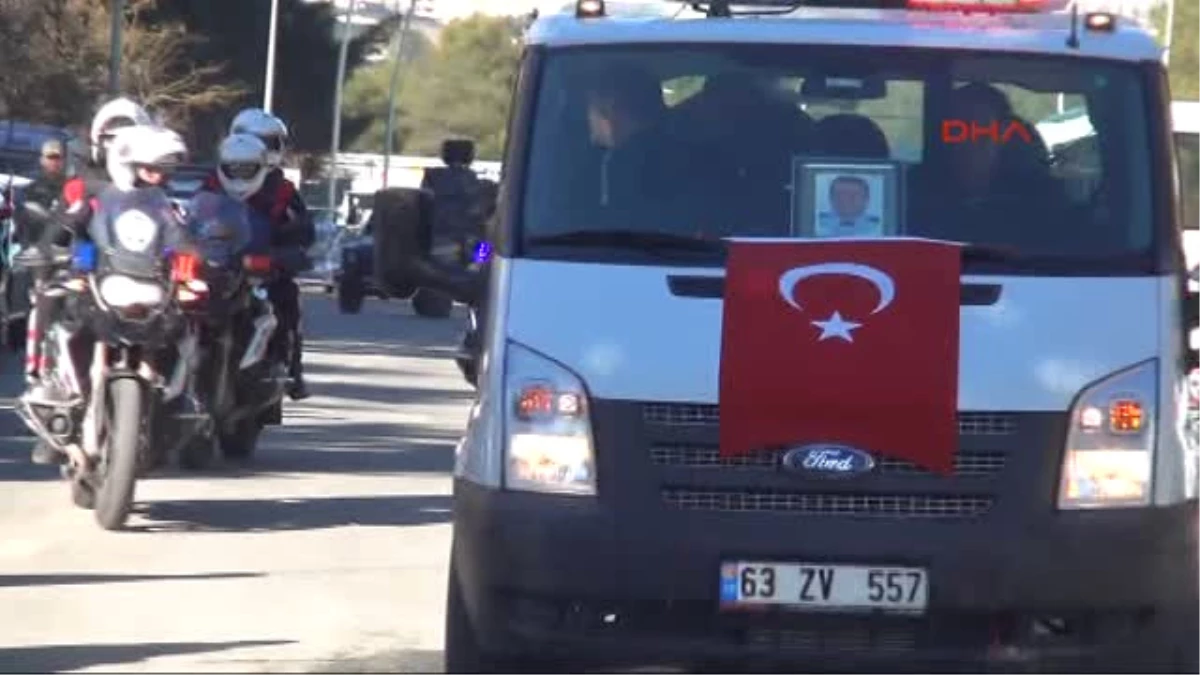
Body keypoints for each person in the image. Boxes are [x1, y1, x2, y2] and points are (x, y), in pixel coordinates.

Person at [25, 123, 189, 465]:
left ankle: (171, 416)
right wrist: (52, 250)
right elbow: (66, 227)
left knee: (186, 333)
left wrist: (202, 261)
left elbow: (183, 240)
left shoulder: (164, 206)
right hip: (100, 285)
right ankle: (58, 405)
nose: (157, 175)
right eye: (149, 167)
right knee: (64, 318)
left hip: (149, 289)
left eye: (161, 168)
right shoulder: (93, 197)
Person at [208, 114, 313, 400]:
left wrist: (288, 252)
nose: (263, 148)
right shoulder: (214, 181)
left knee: (286, 298)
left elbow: (303, 230)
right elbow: (191, 215)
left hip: (261, 268)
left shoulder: (283, 189)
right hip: (217, 266)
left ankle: (292, 368)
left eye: (269, 142)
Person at [815, 175, 882, 238]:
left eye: (853, 195)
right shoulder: (817, 224)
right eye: (841, 195)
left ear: (866, 199)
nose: (846, 199)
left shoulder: (878, 227)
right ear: (831, 198)